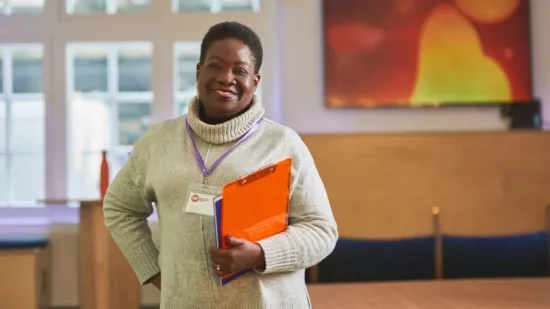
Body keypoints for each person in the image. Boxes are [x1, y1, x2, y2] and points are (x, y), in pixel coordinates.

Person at [103, 21, 338, 308]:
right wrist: (153, 270)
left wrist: (260, 253)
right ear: (199, 71)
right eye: (215, 66)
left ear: (255, 81)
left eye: (240, 70)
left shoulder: (283, 144)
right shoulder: (157, 142)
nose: (226, 77)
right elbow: (119, 207)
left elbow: (321, 231)